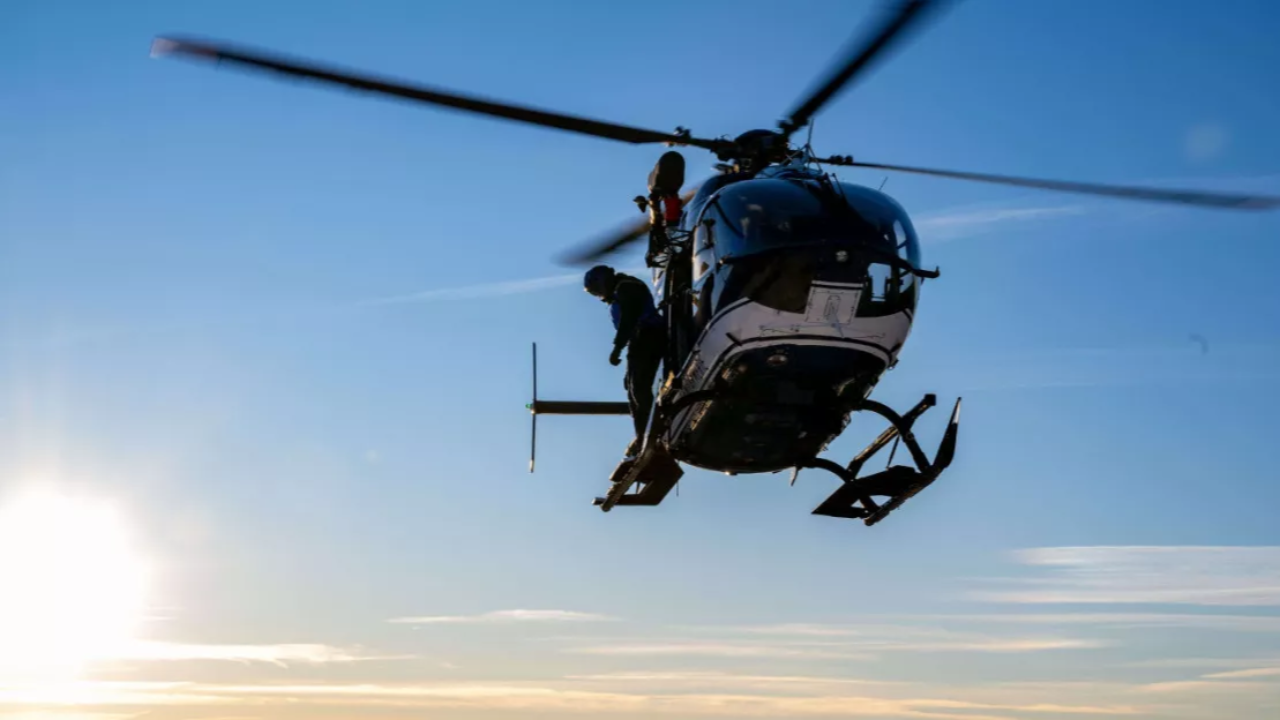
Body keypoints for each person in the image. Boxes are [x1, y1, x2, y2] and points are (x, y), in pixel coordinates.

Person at [583, 265, 666, 457]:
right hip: (639, 341)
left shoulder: (627, 288)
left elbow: (629, 319)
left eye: (597, 290)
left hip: (649, 337)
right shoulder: (620, 292)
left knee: (638, 388)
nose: (599, 295)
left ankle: (651, 432)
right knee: (631, 388)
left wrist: (617, 348)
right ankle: (643, 435)